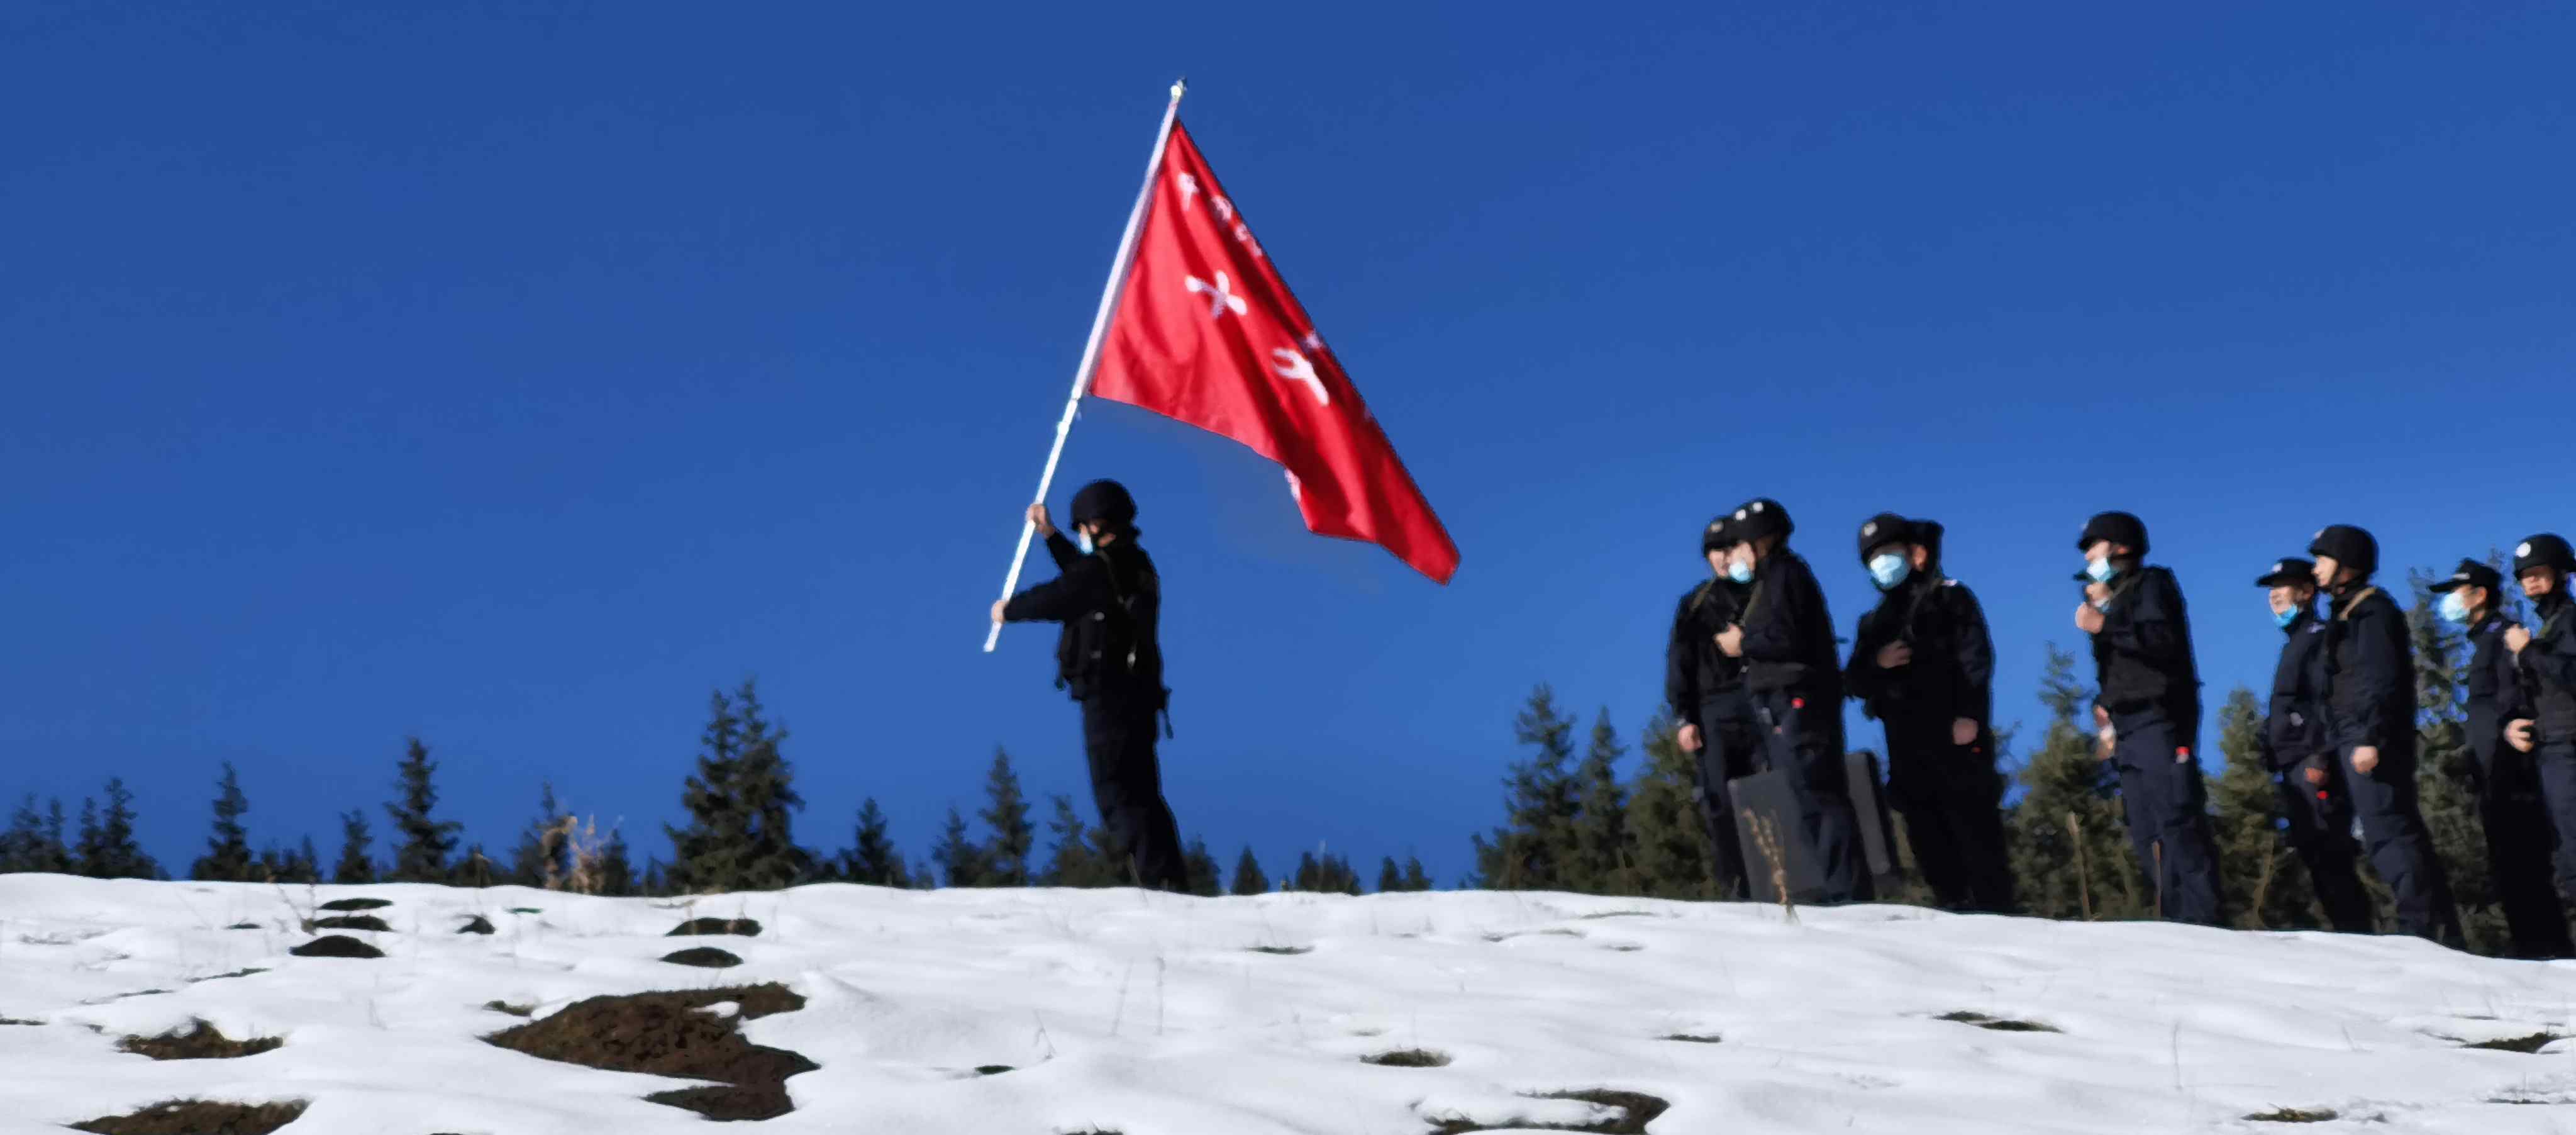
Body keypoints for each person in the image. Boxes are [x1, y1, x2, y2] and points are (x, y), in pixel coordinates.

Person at [989, 479, 1187, 892]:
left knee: (1119, 794)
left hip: (1110, 697)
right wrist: (1049, 535)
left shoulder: (1104, 570)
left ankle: (1159, 885)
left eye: (1081, 527)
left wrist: (1011, 610)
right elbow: (1085, 577)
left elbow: (1066, 593)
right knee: (1142, 792)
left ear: (1098, 524)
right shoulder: (1134, 563)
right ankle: (1169, 880)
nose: (1080, 535)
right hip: (1139, 699)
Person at [1844, 513, 2013, 913]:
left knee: (1975, 831)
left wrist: (1970, 715)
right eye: (1872, 559)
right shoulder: (1875, 622)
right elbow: (1852, 680)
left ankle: (1999, 918)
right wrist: (1878, 664)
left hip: (1955, 734)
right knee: (1926, 837)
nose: (1881, 564)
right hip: (1905, 745)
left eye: (1888, 553)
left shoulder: (1949, 596)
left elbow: (1976, 659)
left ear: (1914, 553)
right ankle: (1952, 908)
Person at [2305, 524, 2462, 944]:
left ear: (2348, 564)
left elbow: (2382, 679)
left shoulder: (2374, 612)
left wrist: (2370, 737)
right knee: (2384, 833)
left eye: (2323, 559)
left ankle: (2422, 930)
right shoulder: (2346, 614)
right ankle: (2443, 934)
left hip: (2368, 737)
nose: (2316, 568)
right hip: (2348, 736)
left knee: (2389, 834)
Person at [1716, 498, 1870, 903]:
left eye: (1739, 545)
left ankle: (1847, 894)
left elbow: (1787, 637)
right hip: (1783, 701)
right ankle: (1840, 889)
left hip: (1799, 699)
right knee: (1807, 795)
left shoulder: (1786, 574)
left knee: (1818, 792)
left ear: (1759, 541)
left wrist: (1742, 643)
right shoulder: (1769, 582)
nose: (1734, 556)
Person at [2073, 510, 2221, 924]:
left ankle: (2205, 924)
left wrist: (2105, 625)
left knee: (2178, 819)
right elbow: (2121, 669)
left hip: (2161, 719)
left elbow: (2162, 643)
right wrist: (2105, 709)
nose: (2087, 555)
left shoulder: (2153, 584)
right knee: (2145, 833)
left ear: (2120, 546)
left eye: (2092, 545)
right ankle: (2173, 923)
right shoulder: (2113, 598)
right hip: (2127, 730)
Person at [2432, 558, 2569, 957]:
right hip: (2493, 772)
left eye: (2457, 592)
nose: (2451, 601)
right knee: (2508, 865)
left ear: (2480, 594)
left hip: (2512, 771)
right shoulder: (2484, 639)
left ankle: (2547, 951)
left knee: (2523, 863)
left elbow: (2518, 694)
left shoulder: (2503, 635)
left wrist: (2511, 728)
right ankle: (2533, 950)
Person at [2255, 557, 2373, 934]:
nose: (2274, 594)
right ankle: (2347, 932)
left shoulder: (2319, 636)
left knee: (2331, 851)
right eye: (2271, 587)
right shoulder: (2296, 641)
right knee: (2312, 851)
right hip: (2291, 763)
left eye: (2283, 585)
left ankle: (2360, 935)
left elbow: (2327, 699)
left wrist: (2320, 756)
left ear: (2307, 592)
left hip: (2313, 761)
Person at [1667, 513, 1755, 899]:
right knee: (1719, 802)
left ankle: (1791, 880)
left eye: (1731, 547)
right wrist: (1684, 717)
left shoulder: (1767, 591)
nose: (1723, 556)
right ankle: (1738, 890)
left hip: (1763, 704)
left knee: (1775, 790)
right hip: (1714, 711)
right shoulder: (1695, 604)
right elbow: (1679, 663)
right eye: (1715, 551)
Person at [2507, 534, 2576, 909]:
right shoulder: (2547, 627)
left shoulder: (2570, 620)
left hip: (2570, 746)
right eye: (2524, 575)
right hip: (2550, 748)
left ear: (2561, 573)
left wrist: (2529, 651)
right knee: (2565, 857)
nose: (2530, 581)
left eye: (2539, 572)